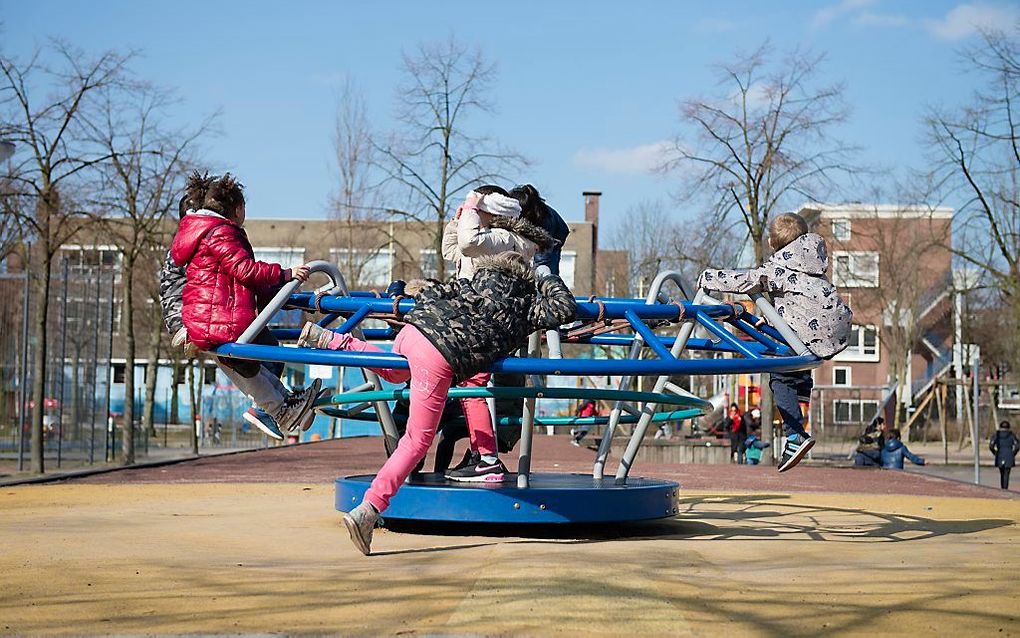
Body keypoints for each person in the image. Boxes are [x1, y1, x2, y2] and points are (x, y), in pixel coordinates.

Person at [298, 251, 576, 555]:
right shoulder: (525, 305)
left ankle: (330, 339)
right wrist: (546, 276)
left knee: (394, 371)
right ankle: (369, 510)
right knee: (417, 440)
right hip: (440, 353)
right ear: (526, 278)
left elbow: (435, 291)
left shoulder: (475, 281)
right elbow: (565, 308)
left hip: (415, 330)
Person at [698, 212, 853, 472]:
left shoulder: (780, 267)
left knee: (778, 375)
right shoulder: (814, 262)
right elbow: (801, 304)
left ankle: (795, 436)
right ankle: (802, 386)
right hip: (837, 331)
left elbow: (744, 280)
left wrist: (709, 278)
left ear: (771, 243)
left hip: (809, 336)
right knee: (794, 354)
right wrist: (771, 323)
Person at [170, 173, 321, 435]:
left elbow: (238, 281)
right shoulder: (220, 233)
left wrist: (276, 294)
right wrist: (284, 274)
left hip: (213, 317)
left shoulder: (204, 233)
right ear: (237, 209)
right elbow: (244, 269)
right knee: (249, 366)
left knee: (257, 360)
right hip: (220, 320)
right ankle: (279, 410)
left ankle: (283, 403)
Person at [509, 184, 570, 275]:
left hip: (552, 241)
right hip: (550, 237)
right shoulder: (533, 208)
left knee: (545, 271)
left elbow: (542, 257)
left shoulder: (544, 218)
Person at [989, 420, 1019, 490]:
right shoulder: (1012, 435)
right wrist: (1013, 453)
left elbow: (991, 446)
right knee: (1007, 474)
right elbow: (1017, 446)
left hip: (1000, 454)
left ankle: (1002, 488)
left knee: (1001, 473)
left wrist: (995, 453)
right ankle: (1005, 488)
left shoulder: (997, 435)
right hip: (1009, 455)